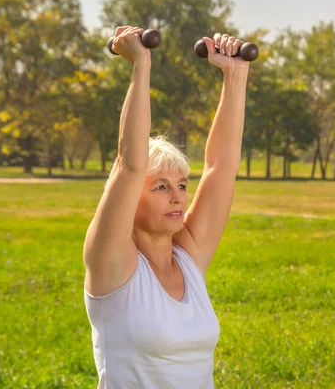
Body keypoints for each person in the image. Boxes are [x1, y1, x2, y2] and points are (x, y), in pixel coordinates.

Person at [83, 25, 250, 388]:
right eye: (160, 187)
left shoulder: (189, 255)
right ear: (131, 198)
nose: (177, 196)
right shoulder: (113, 263)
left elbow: (221, 167)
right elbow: (130, 164)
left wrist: (236, 75)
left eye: (181, 185)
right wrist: (141, 64)